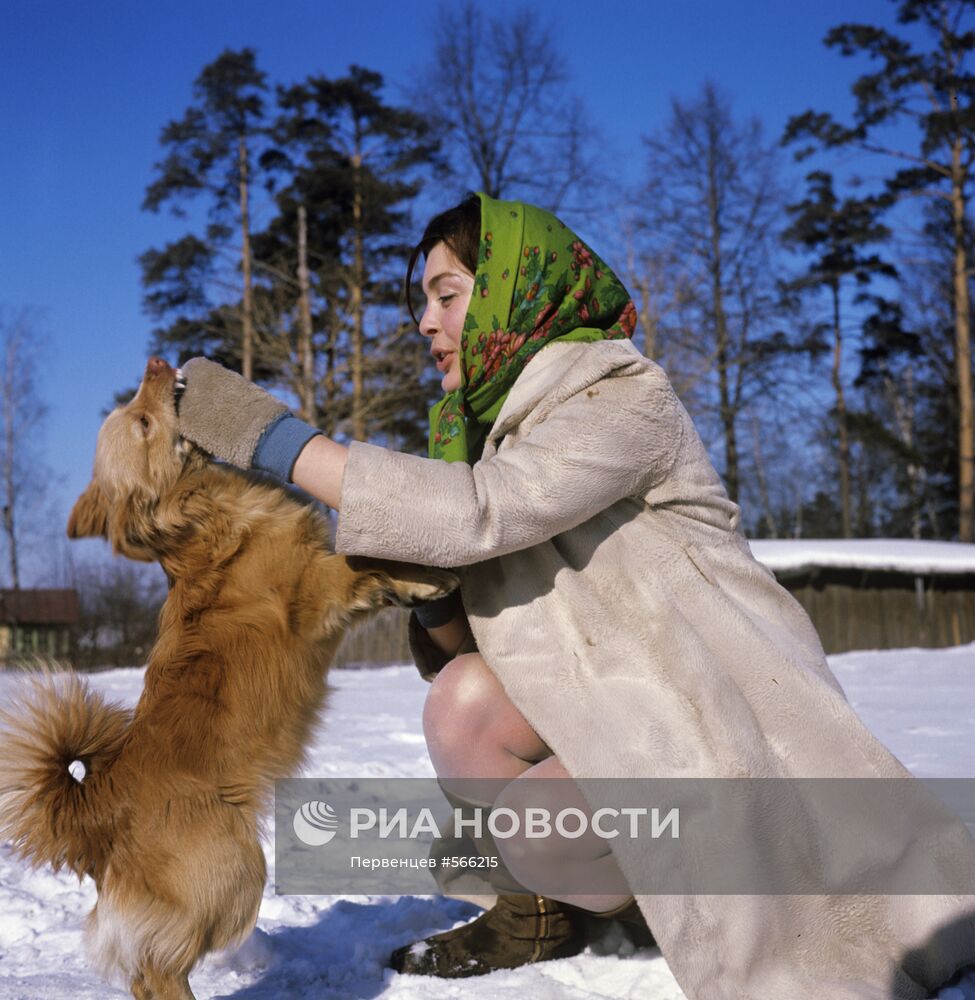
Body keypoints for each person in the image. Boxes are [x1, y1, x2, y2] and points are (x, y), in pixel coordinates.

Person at [176, 192, 975, 999]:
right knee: (461, 700)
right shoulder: (481, 437)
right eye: (423, 300)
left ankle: (665, 892)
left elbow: (484, 510)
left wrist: (272, 439)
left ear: (507, 296)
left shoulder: (621, 396)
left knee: (535, 830)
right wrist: (430, 597)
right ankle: (544, 913)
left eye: (447, 295)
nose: (424, 321)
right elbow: (476, 645)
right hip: (614, 712)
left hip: (710, 720)